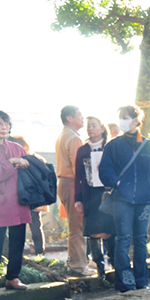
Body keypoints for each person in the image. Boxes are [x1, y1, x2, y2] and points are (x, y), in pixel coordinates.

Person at [99, 105, 150, 293]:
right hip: (122, 201)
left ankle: (142, 280)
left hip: (144, 201)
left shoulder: (148, 145)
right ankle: (125, 282)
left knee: (141, 240)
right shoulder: (113, 145)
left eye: (126, 117)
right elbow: (104, 170)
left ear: (137, 120)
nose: (122, 121)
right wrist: (117, 183)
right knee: (123, 239)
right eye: (121, 117)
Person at [0, 111, 31, 295]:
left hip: (19, 201)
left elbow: (28, 171)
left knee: (18, 240)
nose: (4, 127)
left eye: (6, 124)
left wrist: (28, 162)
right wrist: (12, 162)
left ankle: (13, 277)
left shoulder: (17, 148)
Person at [74, 116, 115, 283]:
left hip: (107, 194)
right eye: (89, 126)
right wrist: (78, 198)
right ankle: (100, 267)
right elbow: (78, 176)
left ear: (102, 128)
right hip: (89, 195)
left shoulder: (110, 147)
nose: (90, 129)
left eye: (94, 126)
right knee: (93, 232)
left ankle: (114, 263)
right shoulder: (83, 150)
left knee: (109, 231)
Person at [56, 105, 92, 275]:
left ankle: (78, 261)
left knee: (74, 226)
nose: (83, 119)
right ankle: (78, 265)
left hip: (64, 182)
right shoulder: (74, 138)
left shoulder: (64, 135)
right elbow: (79, 167)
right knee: (77, 227)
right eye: (80, 115)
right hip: (72, 183)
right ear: (69, 118)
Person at [8, 135, 47, 255]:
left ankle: (39, 253)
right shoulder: (29, 159)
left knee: (34, 226)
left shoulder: (34, 160)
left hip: (31, 198)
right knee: (33, 226)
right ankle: (38, 253)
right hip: (25, 197)